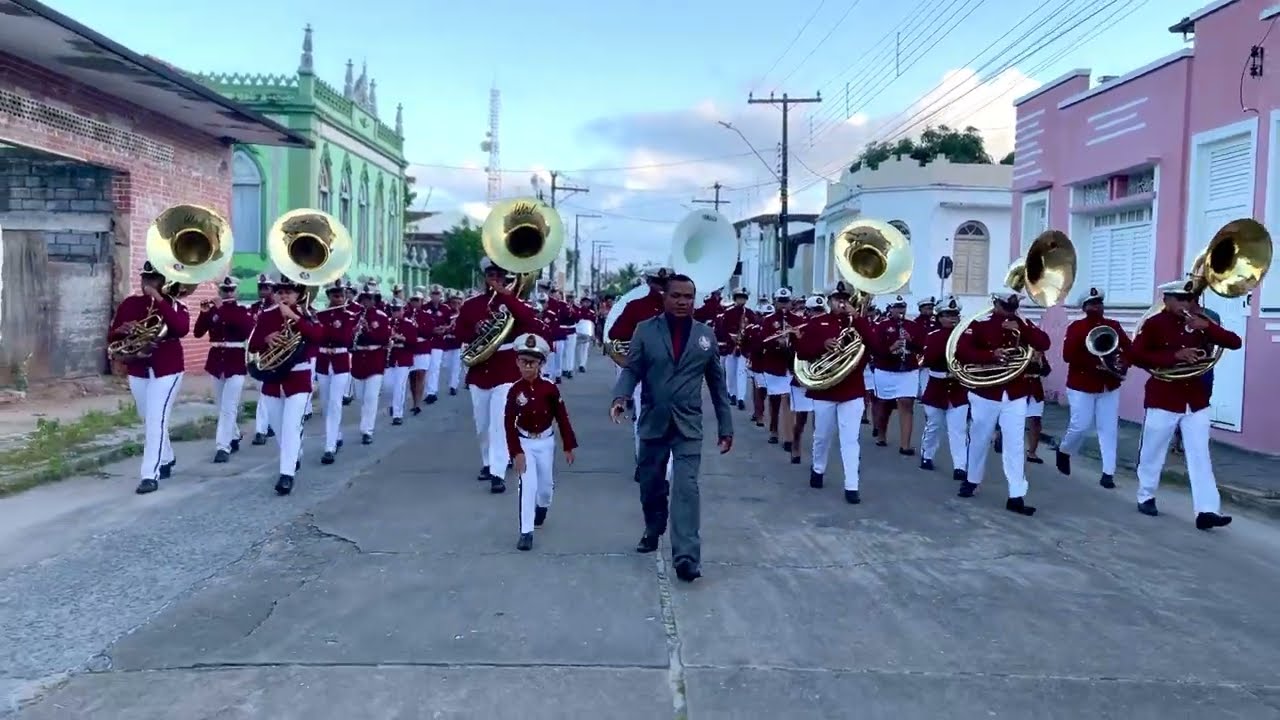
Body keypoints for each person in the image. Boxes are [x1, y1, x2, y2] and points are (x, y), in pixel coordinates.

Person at [610, 274, 733, 582]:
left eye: (688, 297)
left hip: (688, 424)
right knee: (650, 485)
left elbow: (718, 386)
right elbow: (632, 369)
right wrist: (620, 397)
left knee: (687, 489)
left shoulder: (705, 335)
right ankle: (653, 528)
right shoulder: (645, 331)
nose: (682, 302)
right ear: (664, 297)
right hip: (653, 420)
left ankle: (687, 557)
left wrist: (725, 426)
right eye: (676, 296)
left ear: (695, 300)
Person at [1128, 278, 1240, 530]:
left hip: (1196, 399)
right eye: (1179, 299)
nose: (1185, 304)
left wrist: (1207, 327)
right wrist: (1173, 356)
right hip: (1164, 397)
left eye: (1188, 299)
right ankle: (1146, 494)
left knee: (1201, 455)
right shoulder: (1154, 324)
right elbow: (1135, 355)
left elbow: (1234, 342)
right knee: (1153, 450)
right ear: (1166, 300)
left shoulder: (1202, 323)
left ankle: (1207, 511)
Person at [953, 287, 1051, 515]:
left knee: (1015, 444)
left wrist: (1023, 330)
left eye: (1013, 308)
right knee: (979, 437)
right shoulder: (980, 323)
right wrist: (991, 355)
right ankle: (972, 479)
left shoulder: (1023, 323)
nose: (1009, 312)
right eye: (1006, 307)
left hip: (1015, 393)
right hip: (986, 391)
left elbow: (1044, 343)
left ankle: (1016, 495)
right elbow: (962, 352)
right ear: (995, 303)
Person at [455, 257, 547, 492]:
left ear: (506, 277)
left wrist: (505, 295)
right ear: (485, 277)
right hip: (479, 370)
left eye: (499, 275)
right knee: (482, 424)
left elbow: (529, 322)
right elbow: (458, 333)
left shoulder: (516, 303)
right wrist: (475, 329)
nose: (494, 279)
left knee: (499, 422)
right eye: (490, 275)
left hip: (506, 369)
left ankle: (498, 472)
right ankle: (487, 463)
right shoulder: (472, 305)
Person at [107, 261, 191, 494]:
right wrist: (122, 330)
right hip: (139, 369)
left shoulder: (176, 305)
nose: (147, 282)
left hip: (168, 368)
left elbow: (181, 328)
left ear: (164, 281)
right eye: (145, 278)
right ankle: (167, 457)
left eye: (153, 279)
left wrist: (159, 298)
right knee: (149, 419)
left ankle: (149, 475)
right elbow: (112, 336)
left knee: (156, 420)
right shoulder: (130, 304)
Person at [792, 282, 881, 502]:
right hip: (825, 389)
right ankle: (818, 469)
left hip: (852, 390)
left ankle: (852, 486)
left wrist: (858, 319)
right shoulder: (816, 323)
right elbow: (802, 352)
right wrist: (823, 344)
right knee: (822, 435)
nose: (841, 302)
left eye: (845, 298)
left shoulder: (861, 323)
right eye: (837, 298)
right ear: (829, 301)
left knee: (850, 439)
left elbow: (876, 346)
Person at [247, 276, 324, 495]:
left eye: (289, 292)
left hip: (298, 379)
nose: (284, 295)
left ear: (298, 294)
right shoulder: (266, 315)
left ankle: (286, 475)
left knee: (291, 426)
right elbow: (252, 344)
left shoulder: (307, 314)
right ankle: (293, 455)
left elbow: (318, 335)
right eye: (280, 292)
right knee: (279, 428)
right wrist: (266, 339)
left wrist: (295, 318)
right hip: (272, 379)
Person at [505, 332, 578, 551]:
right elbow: (508, 423)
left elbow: (562, 417)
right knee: (528, 486)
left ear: (541, 364)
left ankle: (543, 506)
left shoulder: (549, 388)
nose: (528, 367)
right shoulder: (515, 391)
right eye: (523, 362)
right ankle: (526, 532)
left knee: (545, 487)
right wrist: (515, 451)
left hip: (545, 442)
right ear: (517, 362)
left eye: (533, 363)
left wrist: (568, 444)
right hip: (525, 441)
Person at [1055, 287, 1131, 487]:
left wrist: (1122, 362)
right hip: (1082, 385)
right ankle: (1064, 450)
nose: (1097, 307)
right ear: (1085, 307)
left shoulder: (1113, 325)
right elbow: (1068, 356)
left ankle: (1108, 473)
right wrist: (1094, 360)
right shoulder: (1076, 328)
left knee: (1108, 428)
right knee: (1080, 425)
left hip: (1109, 385)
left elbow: (1128, 349)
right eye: (1093, 304)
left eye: (1100, 304)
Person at [193, 276, 254, 463]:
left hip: (235, 361)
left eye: (230, 290)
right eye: (224, 290)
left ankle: (222, 447)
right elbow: (197, 333)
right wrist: (204, 313)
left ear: (236, 291)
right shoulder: (212, 310)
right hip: (216, 361)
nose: (227, 293)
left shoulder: (242, 310)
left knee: (229, 406)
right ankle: (234, 435)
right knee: (221, 406)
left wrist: (220, 309)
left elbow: (246, 330)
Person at [917, 295, 969, 480]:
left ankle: (960, 466)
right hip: (937, 385)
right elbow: (928, 360)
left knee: (959, 429)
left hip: (958, 387)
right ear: (939, 317)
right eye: (947, 315)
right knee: (934, 425)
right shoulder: (933, 336)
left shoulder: (966, 334)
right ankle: (927, 455)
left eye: (954, 314)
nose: (951, 318)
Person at [315, 280, 358, 465]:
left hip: (340, 362)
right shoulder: (320, 315)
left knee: (335, 402)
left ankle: (329, 446)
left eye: (341, 295)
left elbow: (345, 338)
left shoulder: (349, 316)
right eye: (335, 295)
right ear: (329, 297)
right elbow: (317, 336)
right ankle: (336, 434)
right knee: (325, 404)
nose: (339, 298)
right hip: (324, 361)